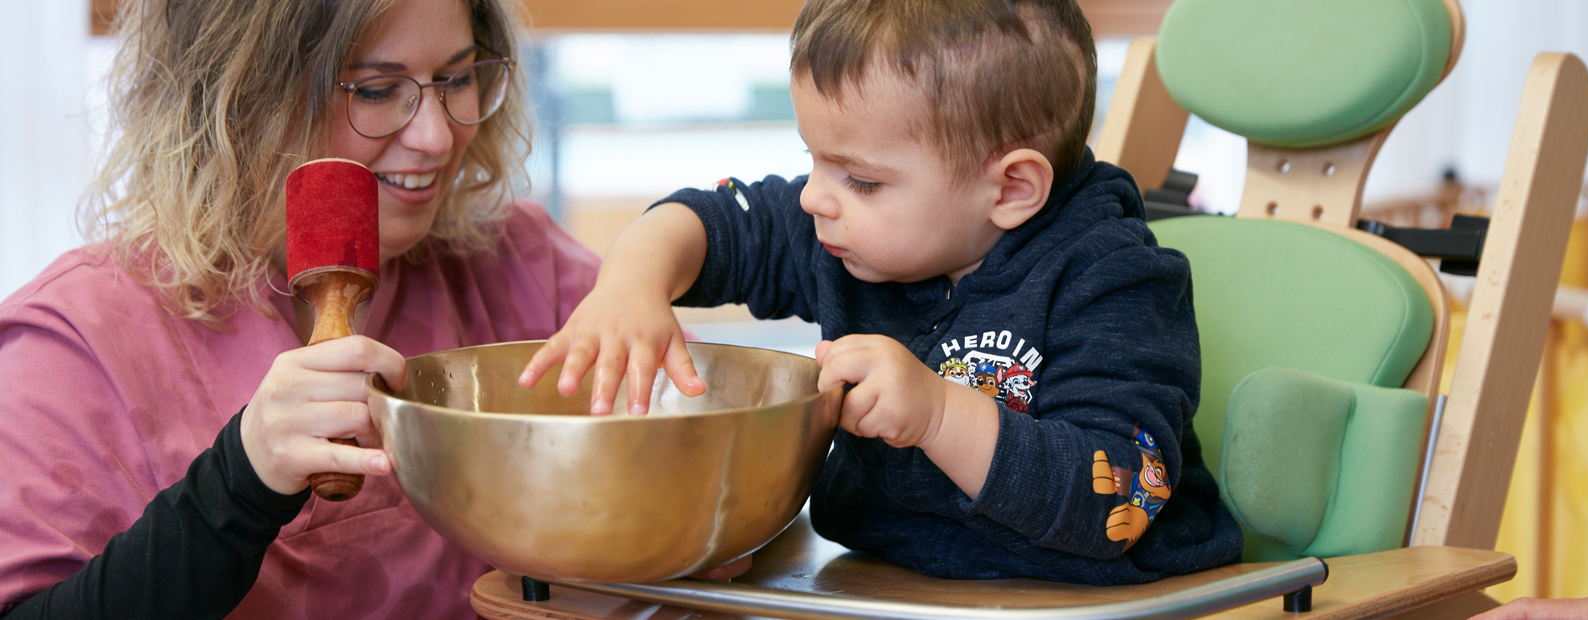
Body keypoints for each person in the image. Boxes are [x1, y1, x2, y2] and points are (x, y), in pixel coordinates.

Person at [521, 0, 1243, 585]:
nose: (813, 198)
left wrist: (934, 414)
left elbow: (1115, 500)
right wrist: (629, 285)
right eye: (813, 160)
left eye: (859, 179)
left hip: (1085, 599)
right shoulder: (852, 236)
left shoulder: (1114, 282)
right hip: (885, 583)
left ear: (1012, 189)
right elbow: (717, 221)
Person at [0, 0, 620, 617]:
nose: (436, 136)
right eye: (378, 90)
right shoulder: (73, 345)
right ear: (238, 92)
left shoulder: (525, 266)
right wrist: (238, 483)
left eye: (457, 79)